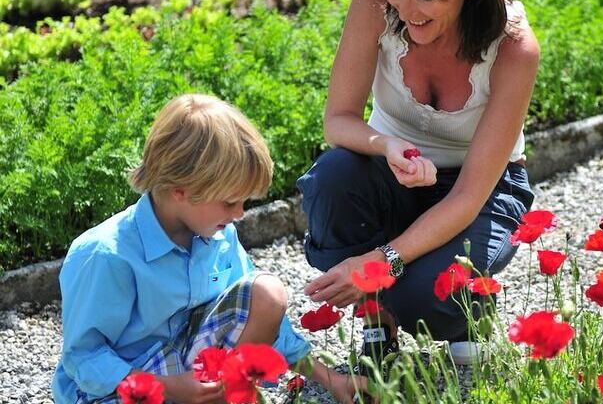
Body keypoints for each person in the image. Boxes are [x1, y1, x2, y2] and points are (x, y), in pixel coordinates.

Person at [297, 0, 539, 369]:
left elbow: (468, 197)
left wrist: (380, 261)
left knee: (425, 298)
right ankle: (378, 323)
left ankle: (464, 312)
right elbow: (337, 121)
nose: (405, 11)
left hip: (482, 190)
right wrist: (387, 144)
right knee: (333, 178)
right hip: (392, 174)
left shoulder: (512, 48)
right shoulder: (373, 1)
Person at [53, 94, 368, 404]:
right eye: (230, 202)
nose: (239, 213)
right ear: (180, 191)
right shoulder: (106, 255)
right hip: (120, 388)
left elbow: (266, 321)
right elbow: (84, 358)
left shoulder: (218, 235)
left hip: (187, 372)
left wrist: (330, 379)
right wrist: (168, 388)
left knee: (267, 293)